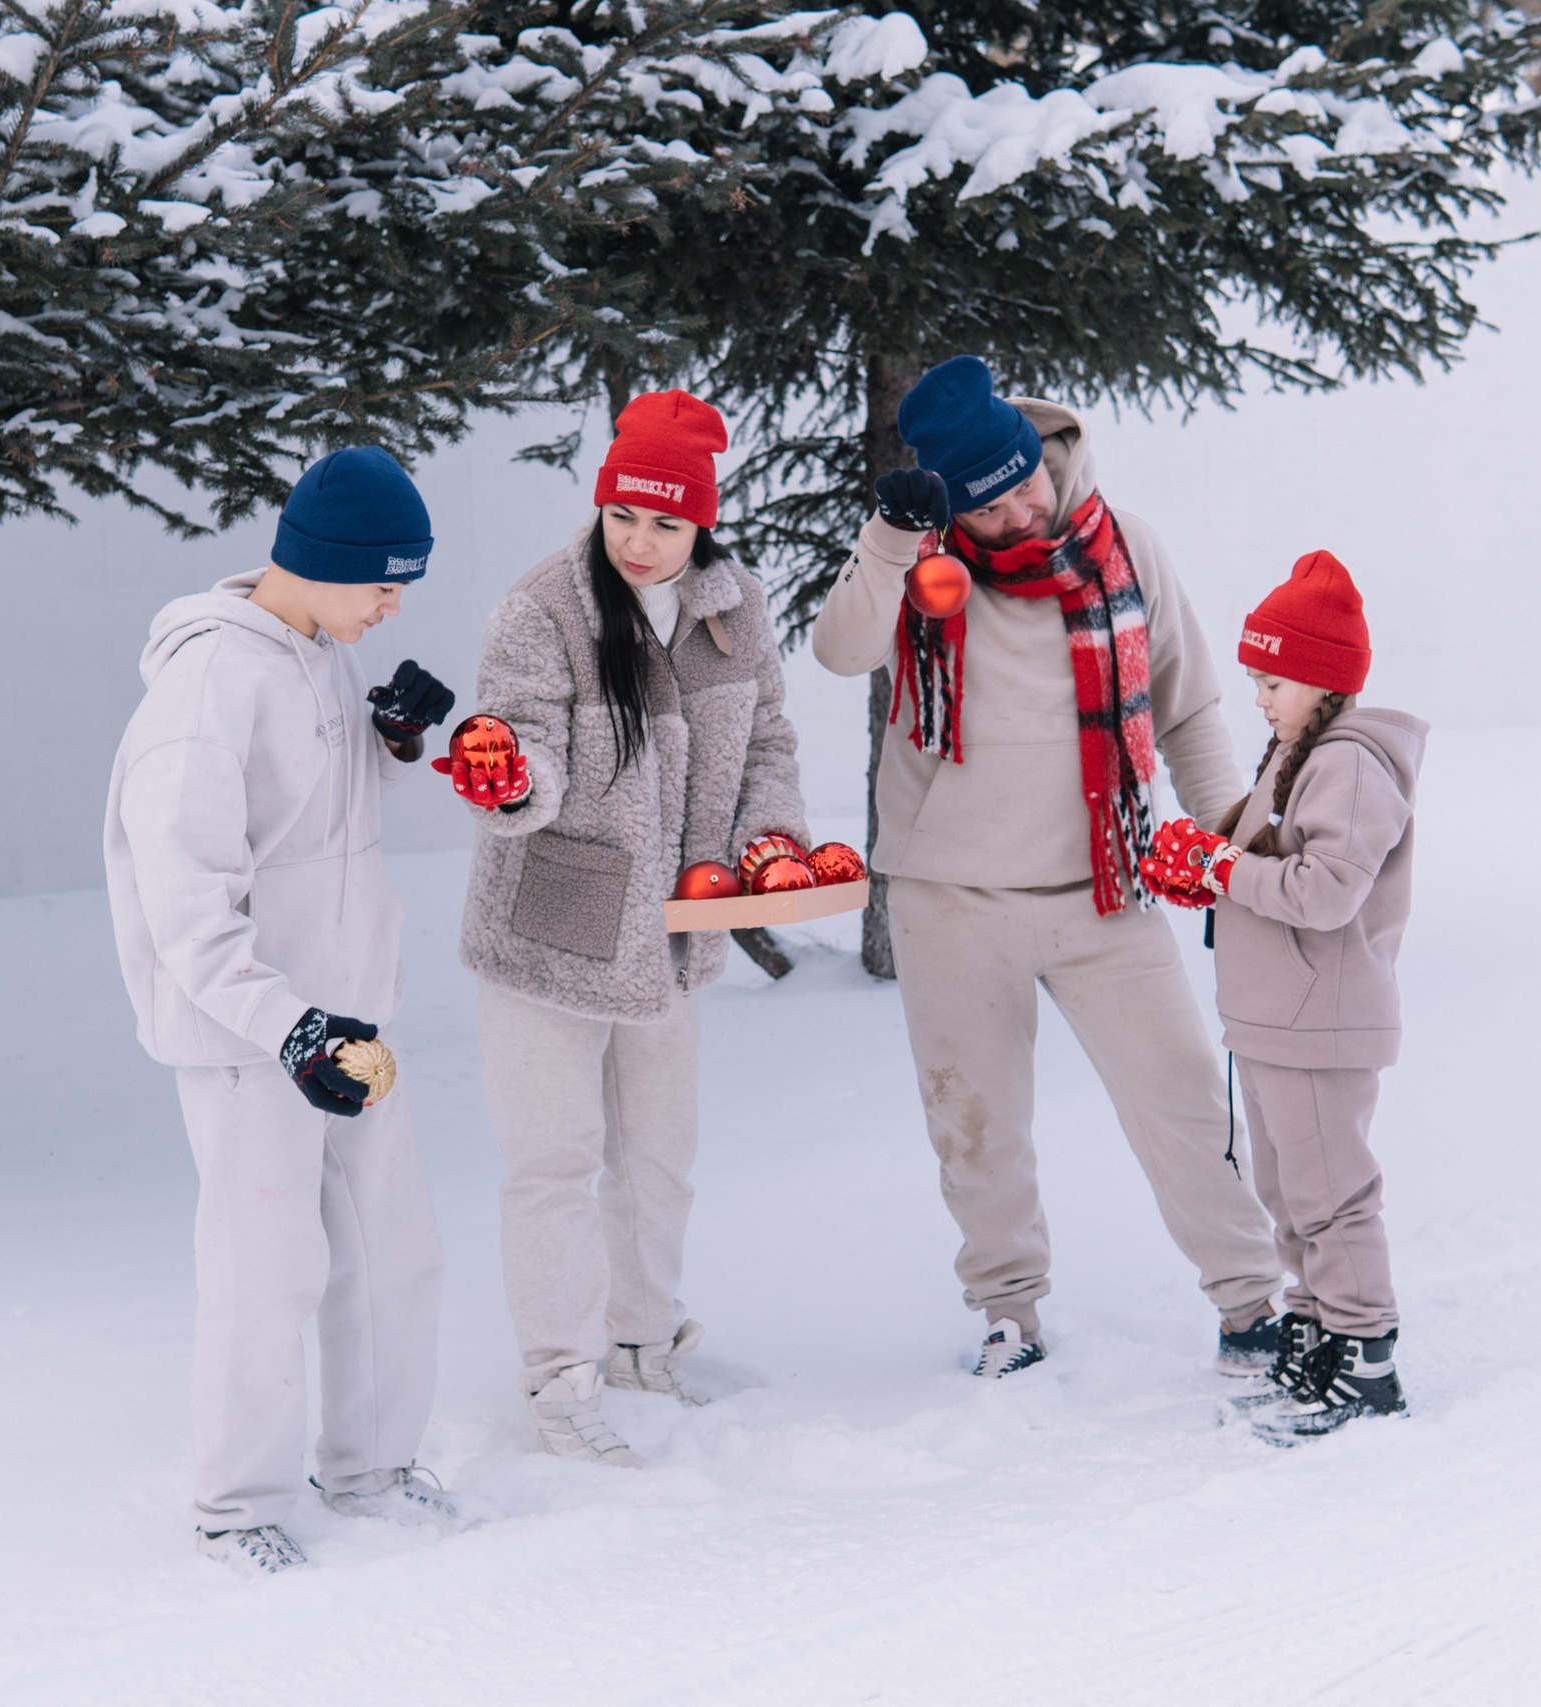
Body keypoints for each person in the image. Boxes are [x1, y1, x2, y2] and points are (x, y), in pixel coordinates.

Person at [810, 354, 1285, 1379]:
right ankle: (1007, 1310)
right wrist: (889, 543)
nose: (1024, 507)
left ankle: (1250, 1302)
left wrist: (1237, 840)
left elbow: (1187, 704)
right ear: (951, 513)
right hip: (951, 899)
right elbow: (841, 653)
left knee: (1183, 1098)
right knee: (972, 1122)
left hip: (1101, 888)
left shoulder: (1122, 547)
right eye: (990, 506)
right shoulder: (922, 572)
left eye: (1026, 478)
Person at [102, 445, 462, 1573]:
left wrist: (388, 741)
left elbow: (313, 820)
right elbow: (184, 894)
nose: (394, 602)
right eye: (382, 582)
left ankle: (370, 1464)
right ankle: (235, 1505)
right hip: (255, 1036)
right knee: (268, 1269)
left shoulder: (319, 651)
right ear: (316, 563)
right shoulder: (207, 686)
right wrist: (286, 1026)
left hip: (349, 1013)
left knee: (390, 1252)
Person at [447, 391, 805, 1463]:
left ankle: (641, 1342)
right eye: (622, 518)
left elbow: (770, 742)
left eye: (665, 523)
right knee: (553, 1161)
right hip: (551, 929)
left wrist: (771, 835)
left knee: (658, 1157)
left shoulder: (731, 609)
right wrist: (512, 780)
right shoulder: (542, 609)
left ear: (702, 525)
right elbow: (523, 740)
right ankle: (559, 1379)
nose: (639, 543)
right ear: (600, 508)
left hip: (672, 934)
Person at [1139, 550, 1426, 1439]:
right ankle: (1317, 1332)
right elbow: (1269, 864)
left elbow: (1325, 890)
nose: (1258, 695)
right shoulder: (1293, 752)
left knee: (1333, 1194)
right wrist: (1211, 863)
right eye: (1256, 678)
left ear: (1325, 683)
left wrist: (1224, 867)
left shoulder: (1348, 765)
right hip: (1271, 1020)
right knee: (1289, 1191)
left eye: (1274, 679)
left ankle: (1366, 1355)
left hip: (1321, 1021)